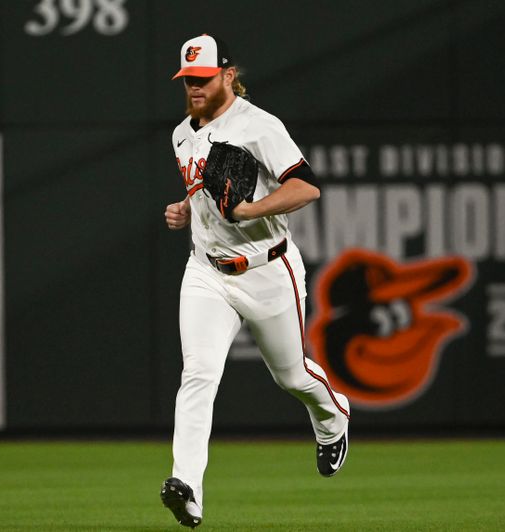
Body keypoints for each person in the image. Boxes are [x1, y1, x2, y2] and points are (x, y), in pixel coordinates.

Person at [159, 34, 351, 528]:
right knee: (198, 375)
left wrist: (251, 210)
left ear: (226, 74)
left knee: (291, 376)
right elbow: (205, 192)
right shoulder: (183, 133)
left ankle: (333, 419)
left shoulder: (259, 125)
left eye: (203, 79)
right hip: (206, 271)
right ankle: (188, 487)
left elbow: (305, 185)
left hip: (267, 268)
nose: (195, 88)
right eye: (188, 81)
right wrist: (185, 209)